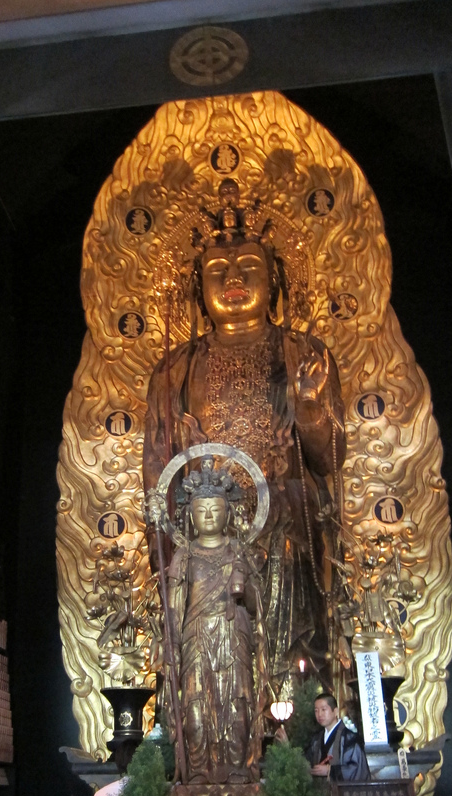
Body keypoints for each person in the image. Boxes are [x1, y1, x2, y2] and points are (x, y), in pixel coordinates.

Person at [144, 180, 345, 696]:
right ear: (199, 287)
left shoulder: (305, 352)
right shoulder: (175, 370)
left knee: (291, 670)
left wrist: (308, 411)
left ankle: (298, 738)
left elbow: (331, 459)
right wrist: (167, 564)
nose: (233, 279)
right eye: (217, 272)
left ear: (273, 278)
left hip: (285, 537)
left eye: (248, 268)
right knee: (213, 676)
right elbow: (159, 482)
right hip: (208, 548)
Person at [166, 460, 266, 784]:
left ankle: (238, 770)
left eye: (215, 510)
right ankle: (198, 772)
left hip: (232, 634)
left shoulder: (239, 551)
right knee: (195, 711)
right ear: (191, 516)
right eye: (202, 510)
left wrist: (245, 584)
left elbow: (255, 608)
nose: (209, 517)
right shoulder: (185, 556)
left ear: (228, 513)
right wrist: (171, 646)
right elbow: (174, 610)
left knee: (237, 708)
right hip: (196, 636)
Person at [305, 692, 370, 783]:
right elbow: (306, 763)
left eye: (323, 710)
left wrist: (330, 771)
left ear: (335, 711)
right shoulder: (316, 739)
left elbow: (356, 769)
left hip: (342, 795)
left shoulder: (350, 739)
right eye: (316, 710)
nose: (319, 714)